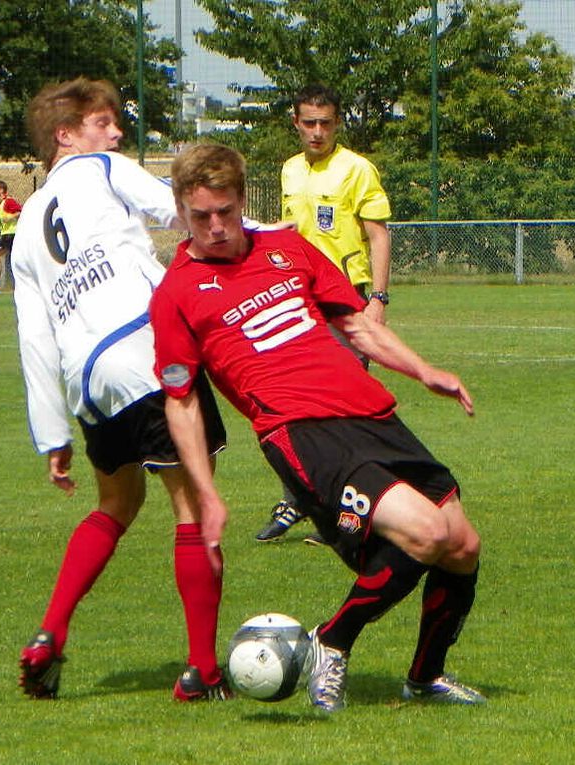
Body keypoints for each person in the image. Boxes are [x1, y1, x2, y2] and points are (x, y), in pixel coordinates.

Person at [150, 143, 484, 714]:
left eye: (226, 212)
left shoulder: (287, 247)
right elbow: (180, 403)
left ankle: (425, 677)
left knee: (462, 547)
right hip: (302, 431)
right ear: (181, 210)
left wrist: (424, 370)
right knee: (426, 534)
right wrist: (206, 493)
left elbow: (355, 324)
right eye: (200, 215)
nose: (215, 227)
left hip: (370, 413)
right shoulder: (175, 295)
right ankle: (331, 640)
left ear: (241, 201)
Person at [12, 78, 231, 702]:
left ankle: (49, 634)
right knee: (193, 509)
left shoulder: (27, 223)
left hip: (88, 380)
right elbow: (183, 210)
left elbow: (35, 336)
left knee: (116, 504)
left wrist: (52, 431)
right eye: (104, 122)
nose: (115, 133)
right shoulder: (104, 168)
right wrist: (268, 235)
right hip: (146, 349)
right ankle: (202, 672)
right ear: (67, 135)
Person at [256, 84, 393, 543]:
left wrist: (378, 298)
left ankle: (344, 509)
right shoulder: (291, 169)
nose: (317, 131)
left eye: (325, 123)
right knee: (293, 403)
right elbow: (293, 230)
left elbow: (377, 235)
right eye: (309, 123)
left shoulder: (357, 169)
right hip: (296, 297)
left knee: (341, 406)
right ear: (295, 123)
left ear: (337, 123)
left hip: (344, 298)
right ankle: (300, 500)